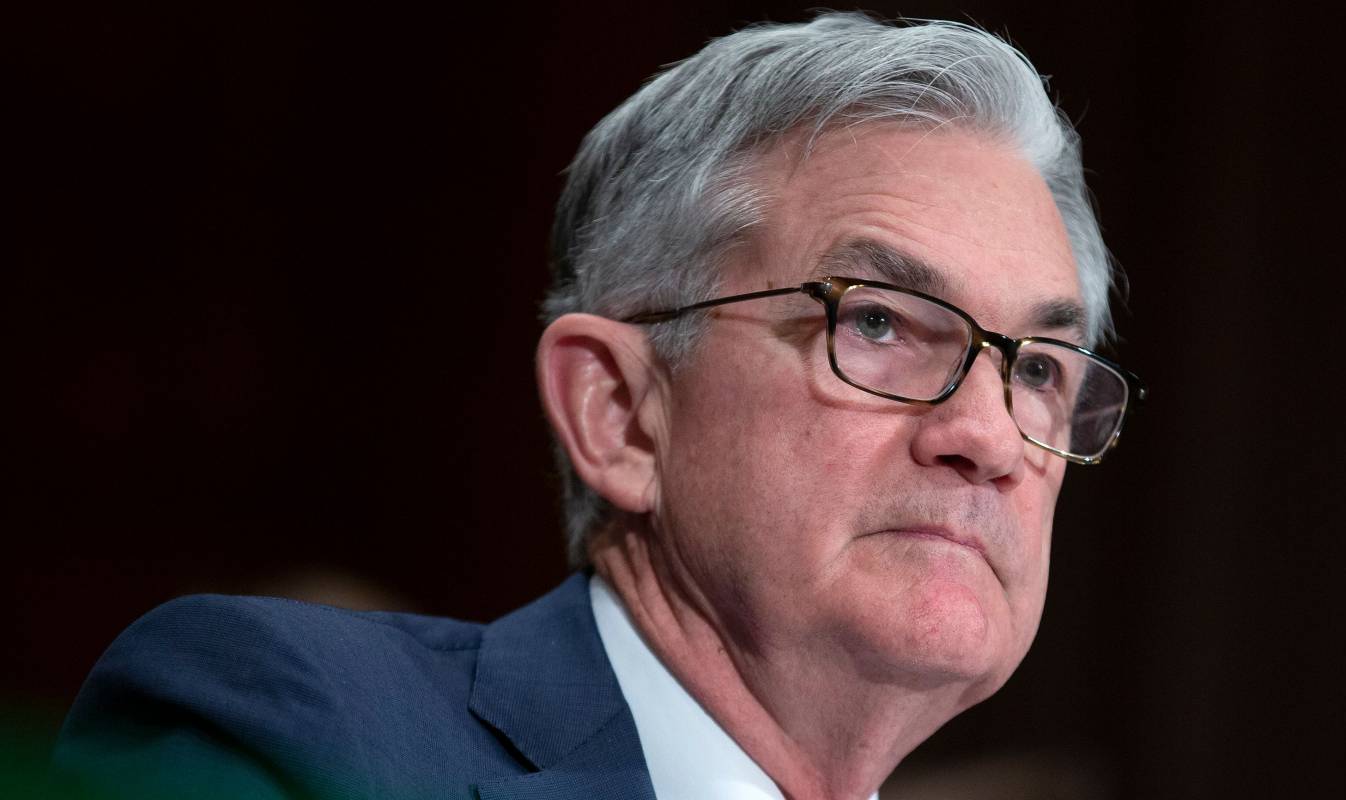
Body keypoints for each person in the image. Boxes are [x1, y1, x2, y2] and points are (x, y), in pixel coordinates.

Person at [55, 12, 1145, 800]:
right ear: (620, 411)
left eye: (1040, 366)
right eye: (879, 323)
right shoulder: (306, 734)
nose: (990, 436)